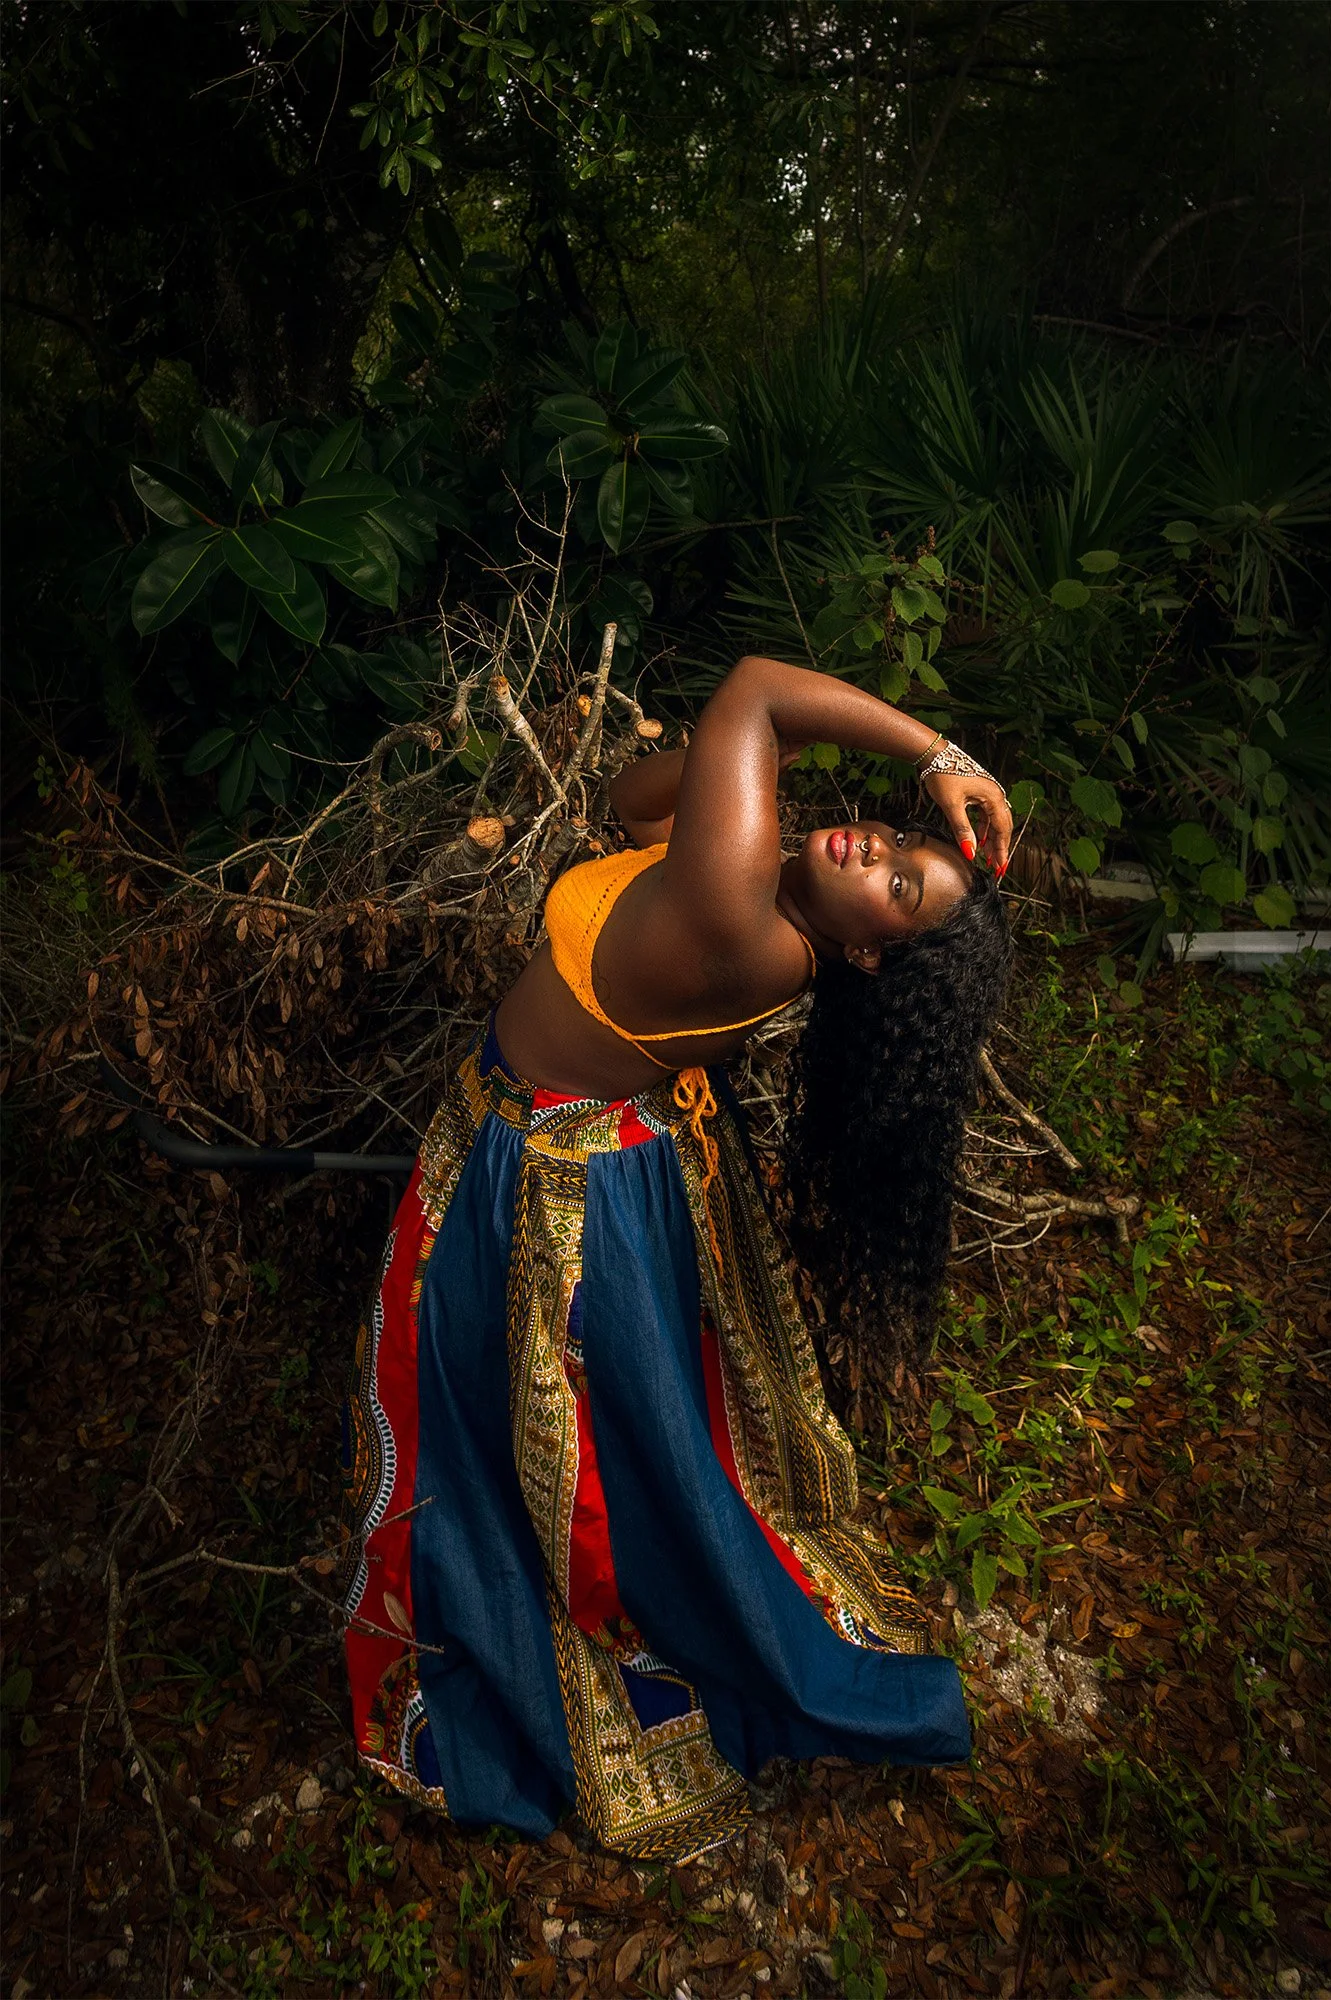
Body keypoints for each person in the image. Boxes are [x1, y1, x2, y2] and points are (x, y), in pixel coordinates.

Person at [338, 653, 1014, 1861]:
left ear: (869, 957)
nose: (874, 847)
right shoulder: (750, 881)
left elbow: (752, 686)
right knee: (565, 1445)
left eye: (899, 885)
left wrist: (933, 756)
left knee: (512, 1458)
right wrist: (747, 763)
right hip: (565, 1143)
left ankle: (550, 1643)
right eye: (899, 840)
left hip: (546, 1178)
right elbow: (630, 800)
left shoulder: (736, 921)